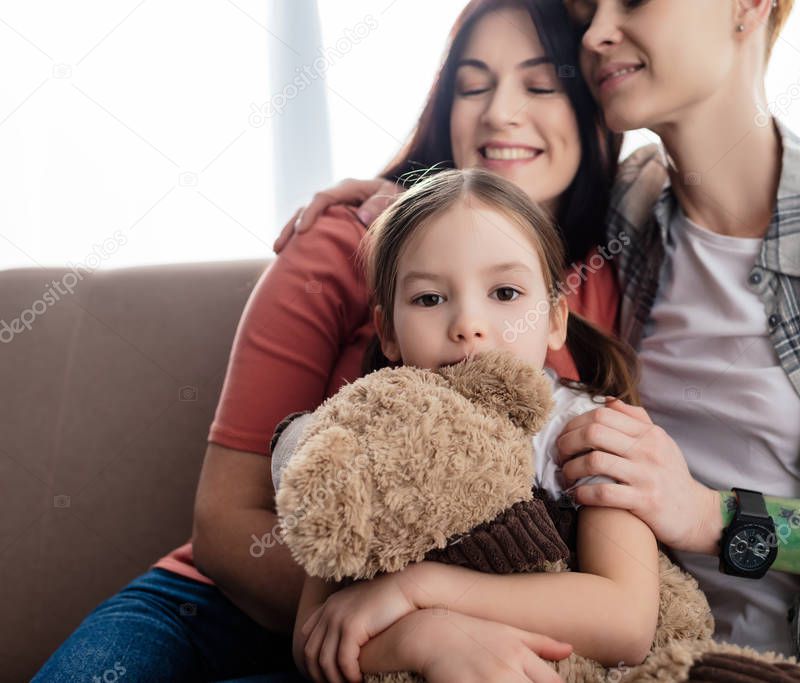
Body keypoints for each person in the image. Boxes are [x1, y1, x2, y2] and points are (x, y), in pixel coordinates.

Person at [284, 1, 800, 680]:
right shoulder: (623, 219)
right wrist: (386, 200)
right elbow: (480, 238)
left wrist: (715, 515)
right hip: (678, 657)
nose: (597, 31)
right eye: (587, 10)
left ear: (747, 6)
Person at [33, 2, 631, 681]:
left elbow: (625, 598)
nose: (499, 112)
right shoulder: (345, 240)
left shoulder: (609, 273)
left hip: (442, 636)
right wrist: (413, 621)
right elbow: (226, 524)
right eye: (472, 85)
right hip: (226, 605)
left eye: (540, 84)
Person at [272, 167, 656, 683]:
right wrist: (424, 639)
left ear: (556, 318)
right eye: (430, 299)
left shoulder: (587, 434)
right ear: (388, 332)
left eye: (505, 293)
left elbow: (626, 622)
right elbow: (313, 639)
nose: (468, 324)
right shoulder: (367, 437)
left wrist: (417, 590)